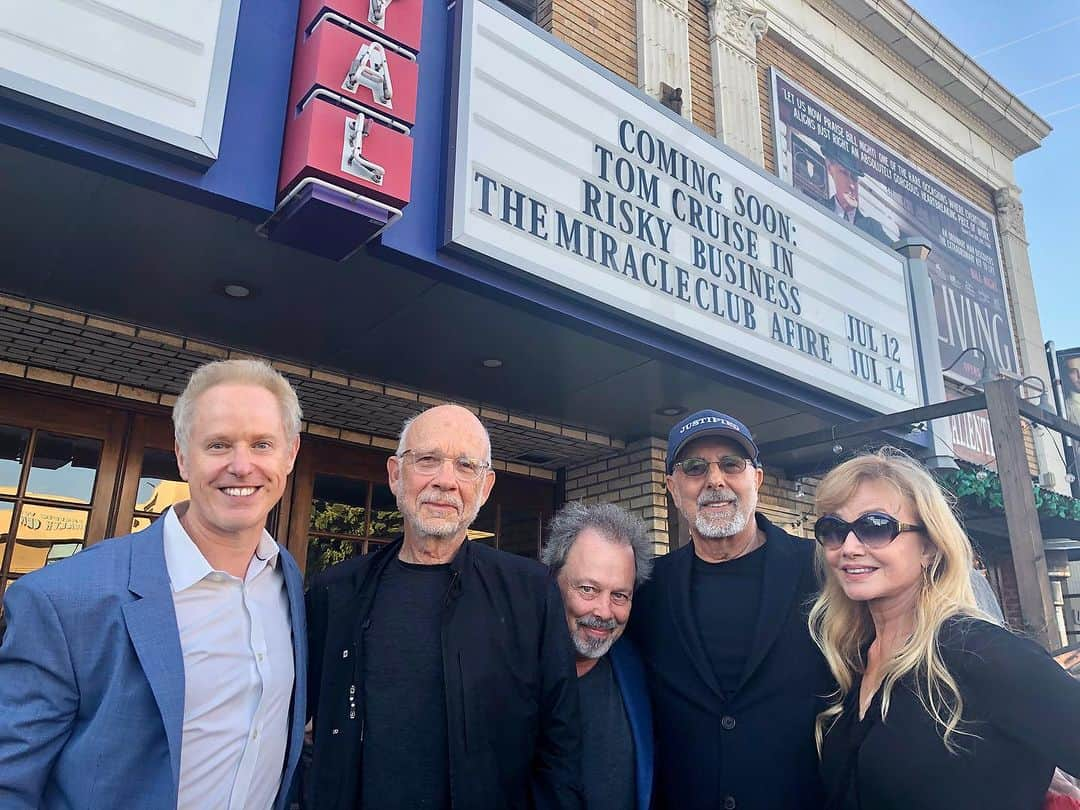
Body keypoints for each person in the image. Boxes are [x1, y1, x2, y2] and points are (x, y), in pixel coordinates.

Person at [0, 359, 308, 809]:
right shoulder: (62, 599)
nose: (242, 466)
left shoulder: (288, 579)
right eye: (218, 445)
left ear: (290, 455)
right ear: (183, 456)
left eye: (262, 444)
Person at [305, 403, 583, 809]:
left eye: (466, 466)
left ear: (485, 488)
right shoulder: (337, 591)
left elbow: (561, 748)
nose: (446, 481)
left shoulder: (531, 593)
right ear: (395, 475)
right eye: (428, 460)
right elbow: (299, 727)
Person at [810, 449, 1080, 809]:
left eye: (875, 527)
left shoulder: (981, 652)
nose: (849, 547)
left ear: (931, 548)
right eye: (834, 530)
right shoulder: (853, 659)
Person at [630, 409, 833, 809]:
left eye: (731, 464)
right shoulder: (648, 590)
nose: (715, 480)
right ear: (672, 487)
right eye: (694, 467)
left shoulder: (822, 571)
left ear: (755, 478)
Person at [542, 501, 655, 810]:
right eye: (588, 589)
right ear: (553, 580)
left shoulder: (636, 669)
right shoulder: (507, 671)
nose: (604, 612)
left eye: (620, 595)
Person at [821, 141, 890, 245]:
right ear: (831, 170)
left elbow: (897, 252)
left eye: (854, 178)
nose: (852, 186)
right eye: (844, 173)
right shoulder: (819, 207)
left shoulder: (872, 228)